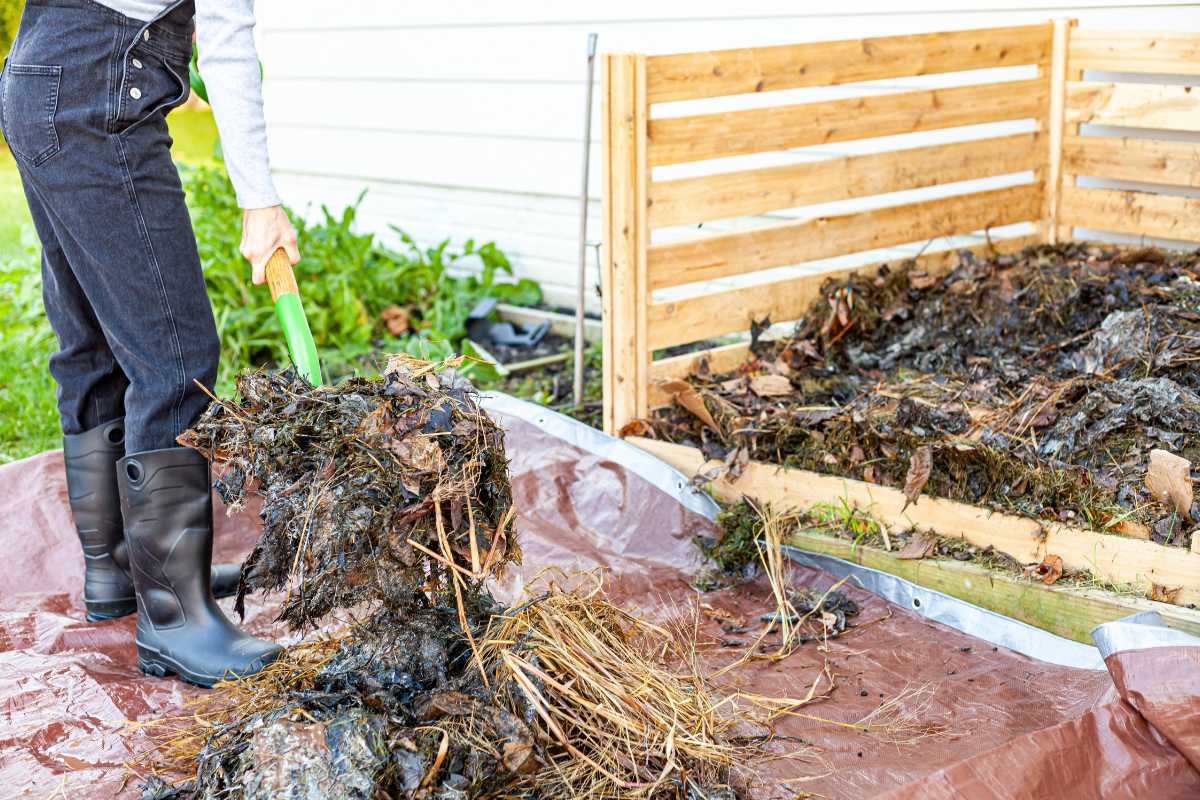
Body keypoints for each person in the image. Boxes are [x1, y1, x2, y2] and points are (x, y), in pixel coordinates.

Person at [0, 0, 299, 687]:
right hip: (99, 93)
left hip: (40, 77)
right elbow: (225, 36)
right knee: (175, 359)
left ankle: (117, 572)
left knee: (93, 343)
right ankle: (175, 620)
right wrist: (260, 201)